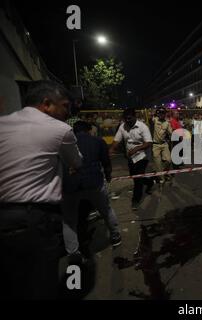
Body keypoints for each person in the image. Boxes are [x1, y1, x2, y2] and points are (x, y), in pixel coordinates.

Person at [0, 80, 83, 299]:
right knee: (41, 283)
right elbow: (77, 162)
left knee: (12, 282)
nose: (68, 112)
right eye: (65, 106)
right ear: (47, 103)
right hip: (36, 218)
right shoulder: (60, 130)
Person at [62, 121, 121, 264]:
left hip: (71, 186)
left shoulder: (65, 143)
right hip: (94, 183)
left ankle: (73, 252)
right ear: (89, 130)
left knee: (69, 221)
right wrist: (108, 176)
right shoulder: (97, 141)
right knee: (106, 210)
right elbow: (106, 162)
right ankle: (115, 236)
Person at [110, 108, 154, 210]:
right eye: (125, 119)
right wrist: (111, 150)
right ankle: (149, 182)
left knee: (137, 180)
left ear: (135, 117)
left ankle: (135, 200)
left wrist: (136, 149)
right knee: (134, 176)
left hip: (142, 156)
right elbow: (116, 140)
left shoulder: (143, 127)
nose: (127, 121)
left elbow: (149, 142)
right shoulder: (123, 126)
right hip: (130, 157)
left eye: (129, 118)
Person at [152, 108, 173, 184]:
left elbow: (171, 133)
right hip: (155, 145)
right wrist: (153, 112)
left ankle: (161, 172)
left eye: (163, 113)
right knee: (157, 163)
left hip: (164, 144)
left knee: (168, 160)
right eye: (160, 113)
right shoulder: (154, 120)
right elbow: (149, 116)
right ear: (157, 114)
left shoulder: (167, 123)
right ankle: (161, 178)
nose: (161, 114)